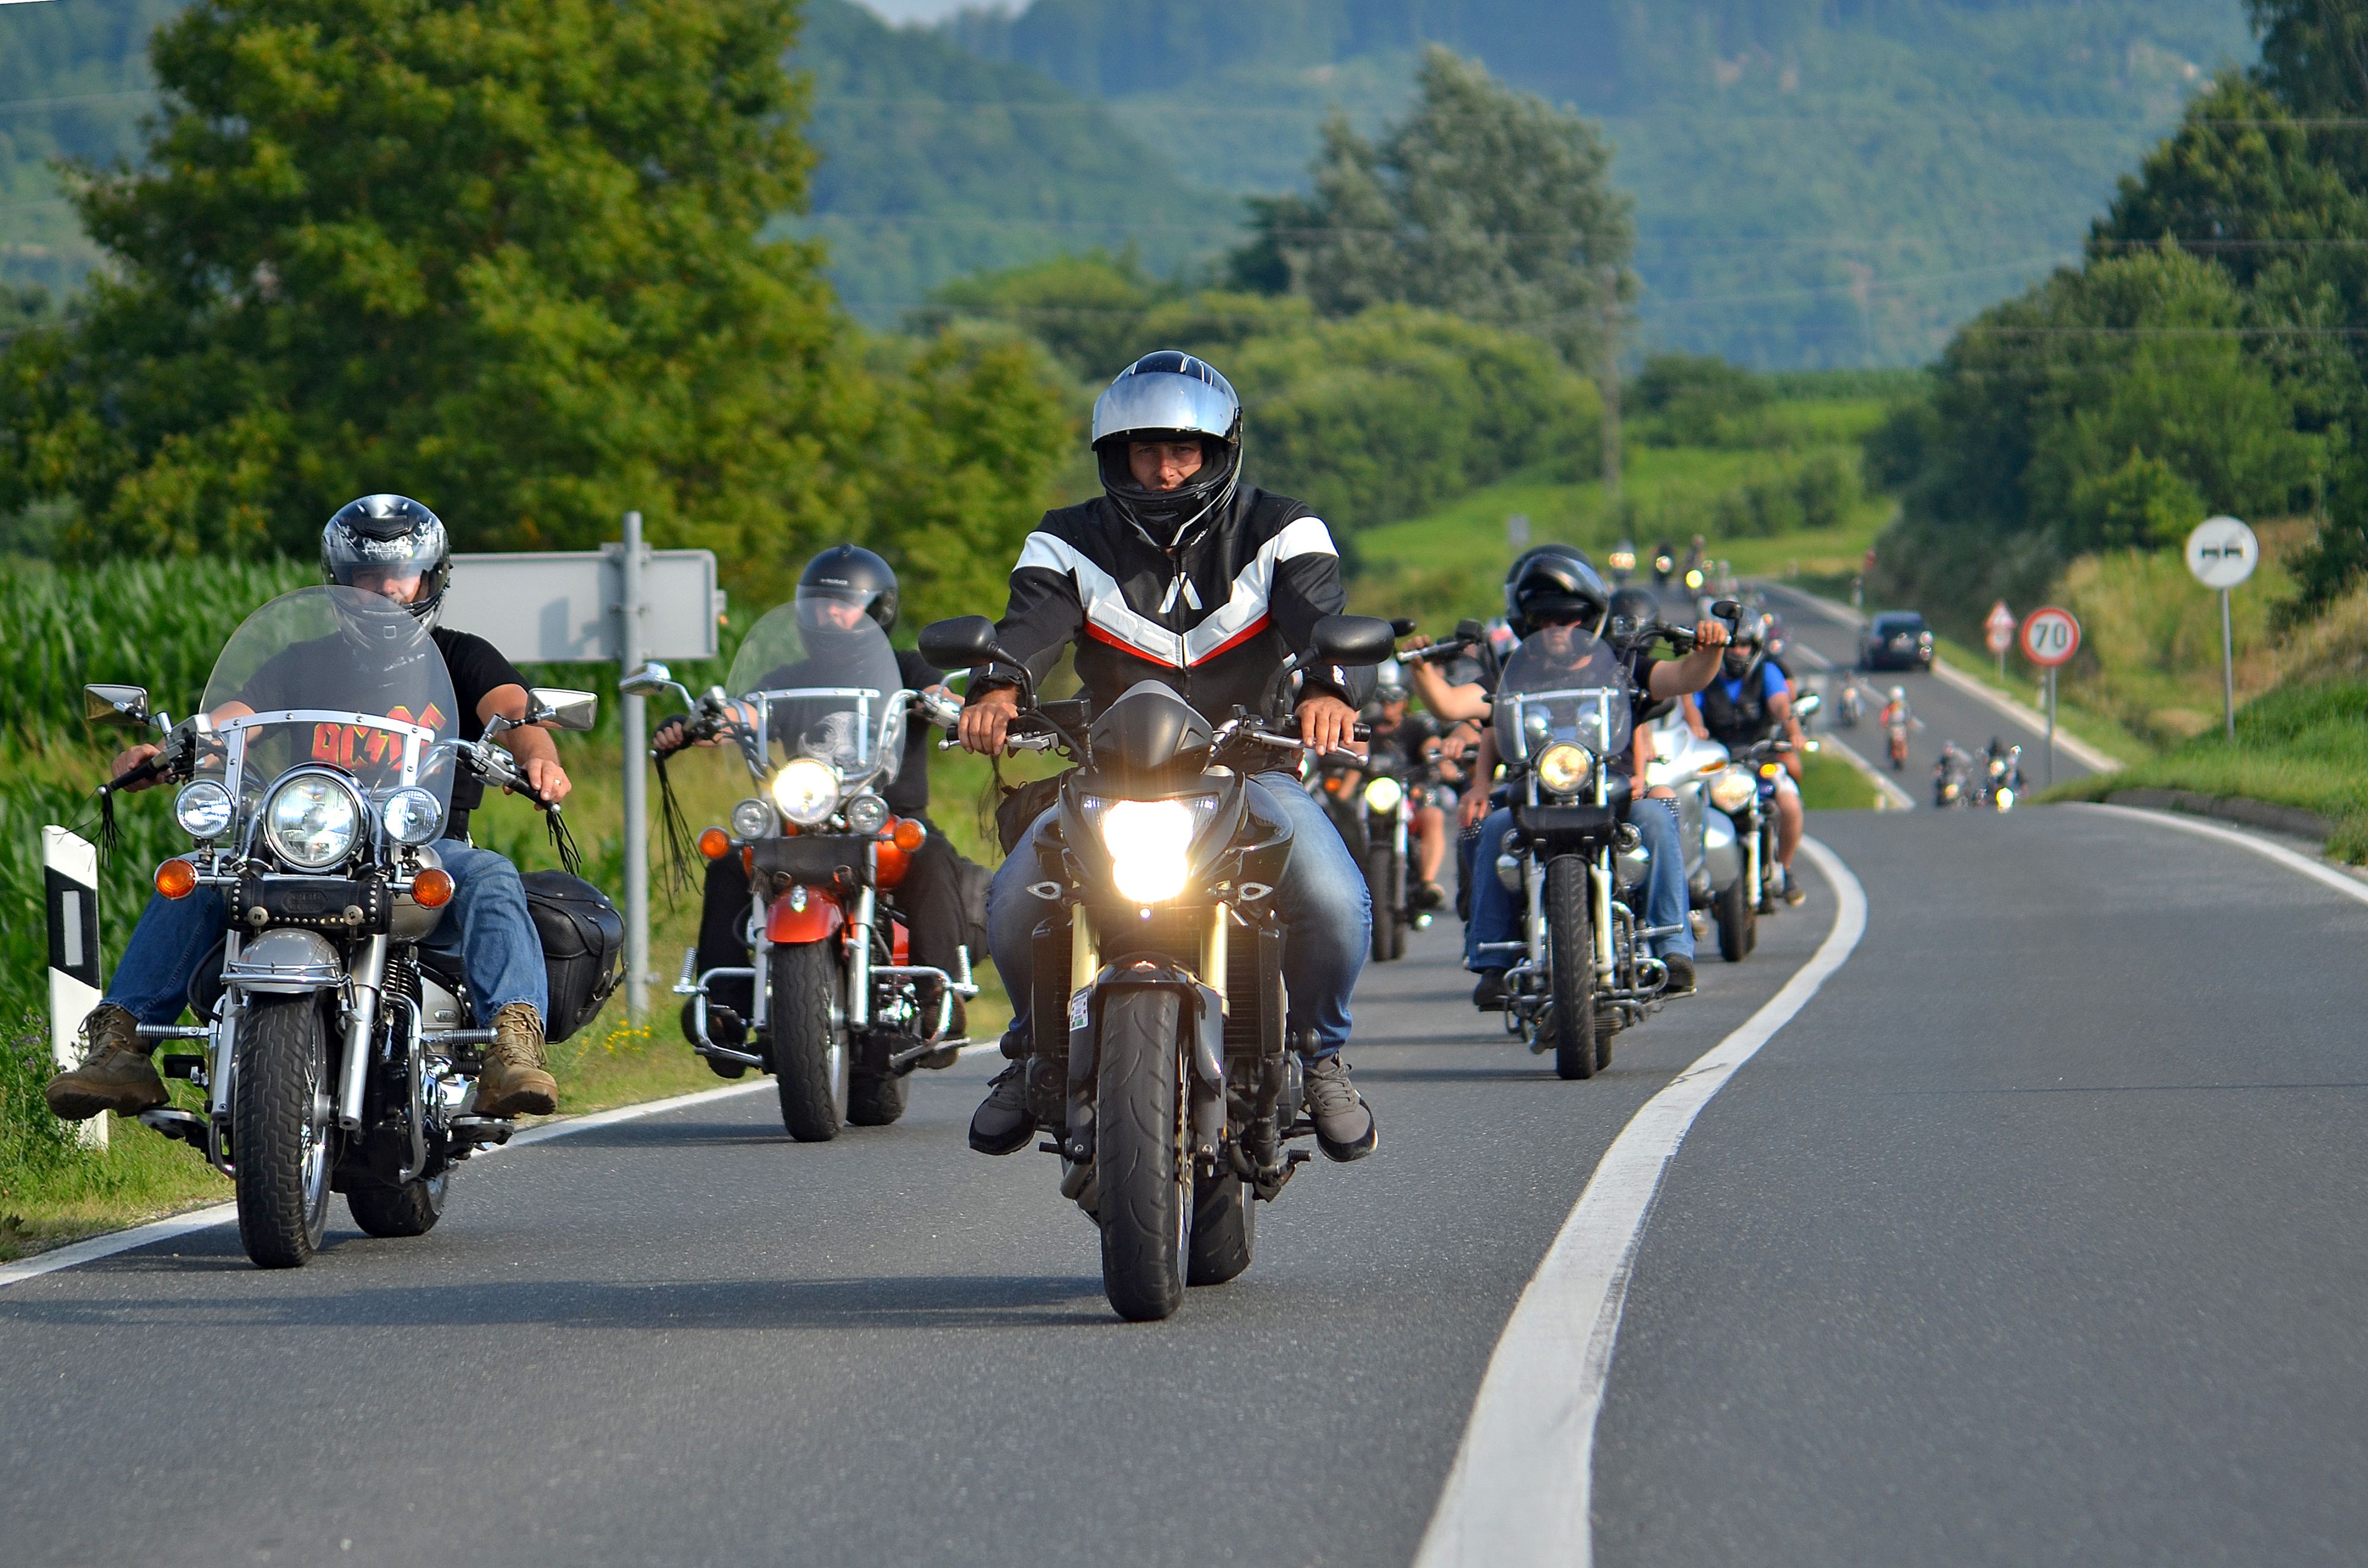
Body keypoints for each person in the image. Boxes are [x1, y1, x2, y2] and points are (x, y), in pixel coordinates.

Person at [955, 350, 1378, 1163]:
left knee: (1329, 894)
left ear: (1220, 452)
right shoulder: (1064, 539)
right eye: (1145, 449)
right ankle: (1033, 1054)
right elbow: (1027, 632)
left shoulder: (1282, 528)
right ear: (1115, 456)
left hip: (1248, 767)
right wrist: (999, 692)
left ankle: (1321, 1055)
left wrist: (1330, 689)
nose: (1165, 466)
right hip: (1110, 773)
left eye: (1184, 449)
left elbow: (1322, 619)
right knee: (1011, 899)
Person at [46, 495, 571, 1122]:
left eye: (398, 577)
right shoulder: (301, 660)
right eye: (365, 578)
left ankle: (511, 1044)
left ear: (430, 580)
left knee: (490, 876)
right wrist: (170, 752)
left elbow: (512, 711)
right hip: (303, 842)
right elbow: (231, 723)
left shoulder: (462, 656)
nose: (384, 591)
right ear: (340, 583)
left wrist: (538, 756)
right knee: (193, 876)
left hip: (418, 847)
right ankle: (121, 1046)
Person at [655, 546, 973, 1073]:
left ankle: (939, 994)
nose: (830, 613)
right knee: (732, 859)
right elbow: (743, 713)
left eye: (845, 603)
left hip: (884, 813)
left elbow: (941, 694)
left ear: (876, 608)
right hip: (803, 816)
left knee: (933, 855)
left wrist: (946, 704)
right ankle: (724, 1009)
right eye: (820, 602)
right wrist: (699, 722)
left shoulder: (904, 666)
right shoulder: (787, 676)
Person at [1459, 547, 1730, 1007]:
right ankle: (1492, 958)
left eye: (1569, 618)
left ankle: (1673, 946)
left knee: (1660, 816)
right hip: (1536, 795)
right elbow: (1462, 709)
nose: (1557, 629)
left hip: (1612, 788)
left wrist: (1712, 649)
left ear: (1591, 619)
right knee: (1490, 828)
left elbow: (1685, 677)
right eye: (1543, 619)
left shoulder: (1624, 664)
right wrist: (1422, 669)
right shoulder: (1514, 671)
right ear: (1527, 623)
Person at [1684, 614, 1808, 905]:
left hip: (1760, 756)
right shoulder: (1707, 674)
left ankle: (1784, 868)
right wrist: (1696, 728)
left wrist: (1793, 732)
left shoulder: (1767, 673)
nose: (1738, 652)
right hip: (1717, 761)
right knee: (1691, 810)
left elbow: (1780, 704)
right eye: (1733, 645)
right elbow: (1691, 704)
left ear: (1756, 647)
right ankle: (1695, 880)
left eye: (1745, 646)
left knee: (1789, 804)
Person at [1362, 663, 1450, 909]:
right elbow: (1355, 746)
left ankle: (1428, 882)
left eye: (1395, 699)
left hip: (1409, 796)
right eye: (1383, 699)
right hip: (1373, 798)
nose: (1388, 705)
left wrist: (1437, 752)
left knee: (1433, 816)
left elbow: (1430, 744)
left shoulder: (1416, 727)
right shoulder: (1368, 726)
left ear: (1405, 701)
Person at [1880, 684, 1913, 770]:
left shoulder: (1902, 706)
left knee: (1903, 741)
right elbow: (1885, 716)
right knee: (1894, 741)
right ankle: (1895, 755)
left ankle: (1901, 755)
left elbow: (1908, 716)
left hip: (1900, 727)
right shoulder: (1893, 706)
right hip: (1896, 727)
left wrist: (1909, 723)